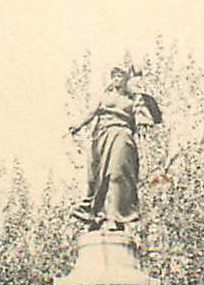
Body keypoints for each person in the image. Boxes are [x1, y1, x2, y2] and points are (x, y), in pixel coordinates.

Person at [69, 64, 161, 230]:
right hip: (102, 137)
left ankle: (114, 216)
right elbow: (91, 113)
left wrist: (143, 121)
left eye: (120, 75)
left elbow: (144, 116)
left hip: (122, 136)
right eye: (114, 75)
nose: (116, 78)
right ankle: (97, 214)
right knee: (96, 178)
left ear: (127, 79)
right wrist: (77, 125)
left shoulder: (133, 99)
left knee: (117, 174)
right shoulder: (104, 97)